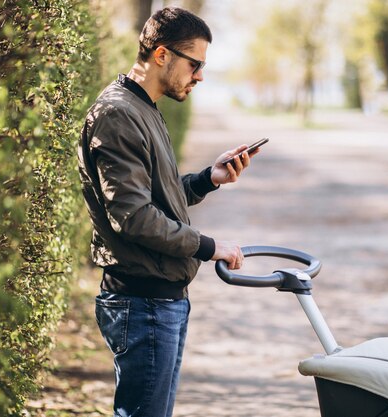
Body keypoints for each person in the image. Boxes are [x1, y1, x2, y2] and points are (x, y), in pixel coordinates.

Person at [77, 7, 256, 417]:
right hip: (143, 303)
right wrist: (209, 247)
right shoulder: (119, 114)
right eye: (195, 64)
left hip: (159, 302)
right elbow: (135, 217)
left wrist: (209, 179)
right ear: (161, 55)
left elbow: (159, 195)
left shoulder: (143, 108)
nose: (200, 76)